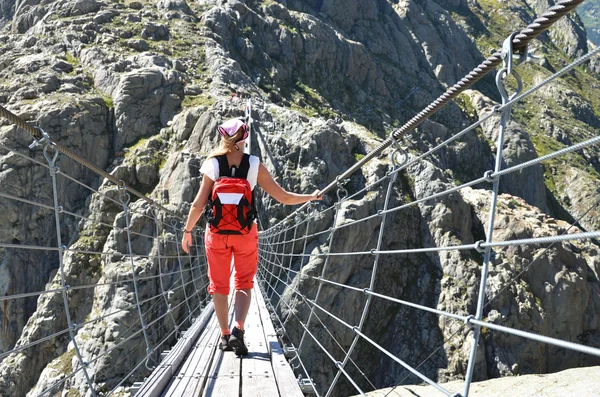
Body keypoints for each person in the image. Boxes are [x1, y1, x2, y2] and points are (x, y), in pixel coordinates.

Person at [181, 118, 321, 356]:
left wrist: (187, 231)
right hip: (246, 232)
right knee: (244, 282)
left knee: (219, 285)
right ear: (244, 138)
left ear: (223, 137)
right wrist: (310, 196)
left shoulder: (213, 163)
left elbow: (198, 203)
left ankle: (224, 335)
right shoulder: (254, 164)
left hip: (216, 234)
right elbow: (284, 197)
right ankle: (239, 329)